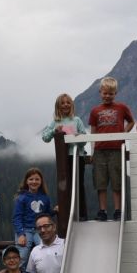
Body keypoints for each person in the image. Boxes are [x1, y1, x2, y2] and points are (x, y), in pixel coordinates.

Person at [88, 76, 135, 222]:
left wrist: (123, 134)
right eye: (105, 93)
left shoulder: (121, 107)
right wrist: (92, 150)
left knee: (117, 182)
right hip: (100, 150)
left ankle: (117, 210)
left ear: (115, 93)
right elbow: (93, 132)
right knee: (100, 182)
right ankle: (102, 210)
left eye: (111, 93)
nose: (107, 96)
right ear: (100, 92)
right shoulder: (95, 111)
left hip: (116, 149)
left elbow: (132, 121)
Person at [41, 93, 90, 221]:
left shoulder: (77, 120)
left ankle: (82, 214)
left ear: (72, 105)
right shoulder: (55, 122)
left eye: (68, 102)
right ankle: (68, 214)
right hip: (63, 159)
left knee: (79, 185)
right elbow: (45, 137)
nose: (65, 105)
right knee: (64, 186)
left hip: (77, 156)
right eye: (62, 103)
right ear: (58, 106)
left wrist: (78, 136)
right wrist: (54, 130)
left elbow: (85, 140)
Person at [12, 167, 53, 267]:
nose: (34, 182)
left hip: (40, 230)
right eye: (31, 179)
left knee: (45, 252)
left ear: (41, 181)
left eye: (37, 179)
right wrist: (21, 234)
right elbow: (17, 218)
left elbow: (47, 215)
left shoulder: (45, 197)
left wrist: (55, 211)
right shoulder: (22, 198)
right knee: (22, 255)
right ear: (26, 181)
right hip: (25, 230)